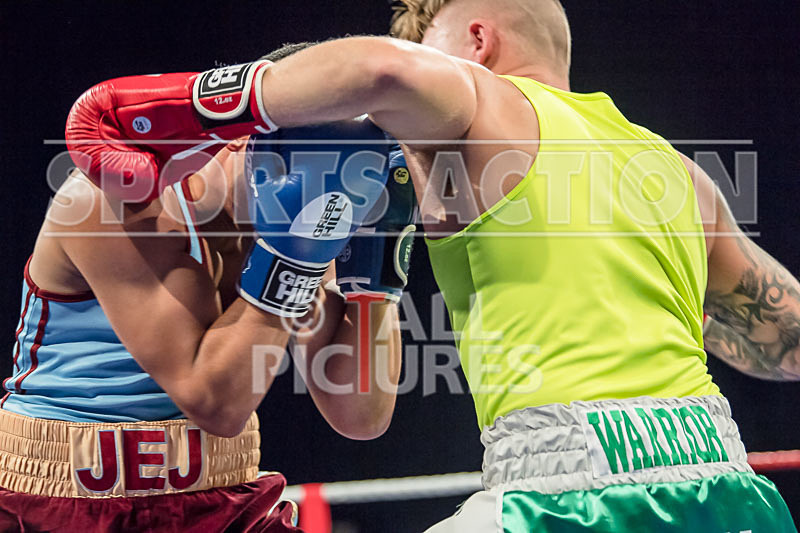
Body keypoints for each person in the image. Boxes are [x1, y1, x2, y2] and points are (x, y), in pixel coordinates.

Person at [152, 2, 796, 530]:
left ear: (477, 41)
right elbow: (785, 340)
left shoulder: (482, 105)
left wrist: (176, 102)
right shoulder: (675, 170)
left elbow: (380, 68)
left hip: (571, 488)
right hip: (727, 482)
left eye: (429, 52)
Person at [0, 44, 415, 532]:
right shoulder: (114, 201)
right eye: (315, 159)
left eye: (351, 171)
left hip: (224, 495)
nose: (330, 187)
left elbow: (361, 415)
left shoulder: (303, 220)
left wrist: (378, 271)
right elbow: (216, 403)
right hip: (64, 497)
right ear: (243, 137)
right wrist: (294, 255)